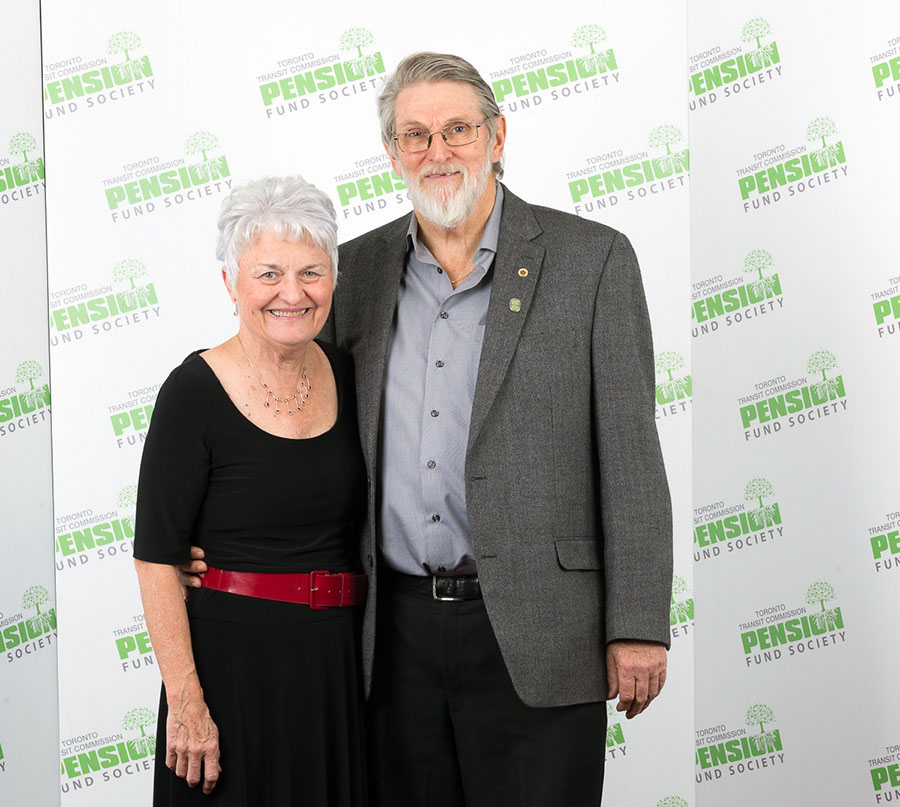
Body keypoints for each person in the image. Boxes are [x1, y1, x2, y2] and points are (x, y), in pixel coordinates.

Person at [183, 52, 672, 806]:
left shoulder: (592, 261)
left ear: (498, 135)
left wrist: (638, 623)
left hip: (539, 630)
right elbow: (297, 420)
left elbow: (633, 460)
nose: (437, 153)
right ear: (392, 153)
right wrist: (216, 541)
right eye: (415, 136)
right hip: (391, 638)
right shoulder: (354, 272)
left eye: (457, 130)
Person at [133, 176, 368, 806]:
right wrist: (185, 700)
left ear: (333, 278)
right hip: (229, 675)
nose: (292, 294)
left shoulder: (351, 373)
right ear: (231, 283)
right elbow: (157, 556)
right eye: (268, 274)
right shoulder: (191, 393)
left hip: (334, 672)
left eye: (311, 273)